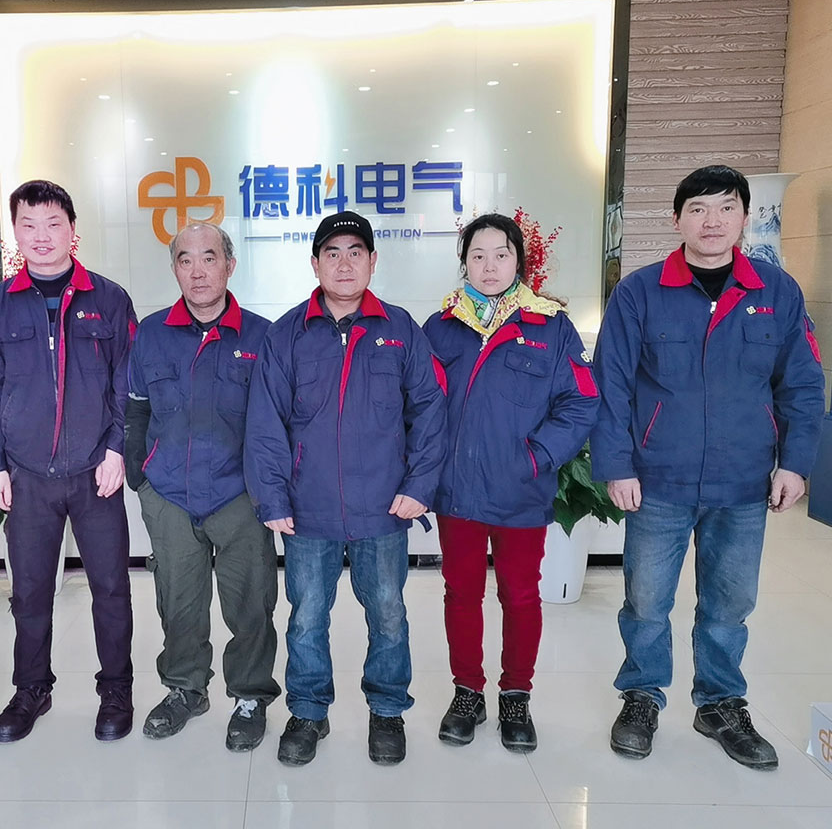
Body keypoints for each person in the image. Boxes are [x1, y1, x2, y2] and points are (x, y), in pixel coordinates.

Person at [592, 165, 825, 770]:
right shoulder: (640, 292)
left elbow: (801, 385)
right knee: (646, 601)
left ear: (744, 218)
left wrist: (795, 464)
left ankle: (719, 703)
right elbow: (610, 384)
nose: (712, 221)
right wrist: (617, 465)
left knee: (729, 602)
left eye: (725, 208)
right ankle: (642, 696)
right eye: (697, 208)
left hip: (744, 481)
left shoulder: (777, 292)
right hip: (658, 478)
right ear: (677, 220)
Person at [245, 211, 446, 767]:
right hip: (308, 510)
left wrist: (419, 485)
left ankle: (387, 710)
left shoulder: (401, 330)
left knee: (388, 614)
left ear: (373, 261)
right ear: (315, 264)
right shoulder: (287, 334)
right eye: (332, 253)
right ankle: (309, 711)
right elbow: (265, 422)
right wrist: (273, 496)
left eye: (355, 252)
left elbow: (430, 411)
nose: (344, 263)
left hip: (384, 507)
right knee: (307, 616)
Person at [423, 213, 599, 753]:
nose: (490, 266)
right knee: (461, 594)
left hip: (521, 490)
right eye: (478, 255)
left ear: (519, 259)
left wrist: (536, 457)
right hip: (457, 492)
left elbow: (581, 401)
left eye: (501, 254)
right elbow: (419, 405)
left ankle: (516, 695)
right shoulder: (441, 327)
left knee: (521, 596)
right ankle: (467, 692)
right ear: (464, 263)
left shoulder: (550, 326)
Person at [0, 180, 136, 743]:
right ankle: (31, 690)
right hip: (27, 476)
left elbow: (125, 385)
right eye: (29, 225)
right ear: (14, 233)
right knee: (30, 591)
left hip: (95, 473)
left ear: (72, 230)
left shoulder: (109, 300)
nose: (41, 236)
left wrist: (116, 449)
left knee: (110, 587)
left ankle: (116, 689)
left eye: (53, 224)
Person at [124, 223, 280, 752]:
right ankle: (185, 689)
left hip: (239, 496)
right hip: (169, 494)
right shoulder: (151, 334)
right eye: (185, 260)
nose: (197, 271)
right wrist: (140, 478)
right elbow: (135, 408)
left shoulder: (261, 337)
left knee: (250, 602)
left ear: (229, 266)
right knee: (179, 602)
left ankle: (250, 695)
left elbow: (277, 422)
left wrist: (268, 491)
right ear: (174, 269)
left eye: (209, 258)